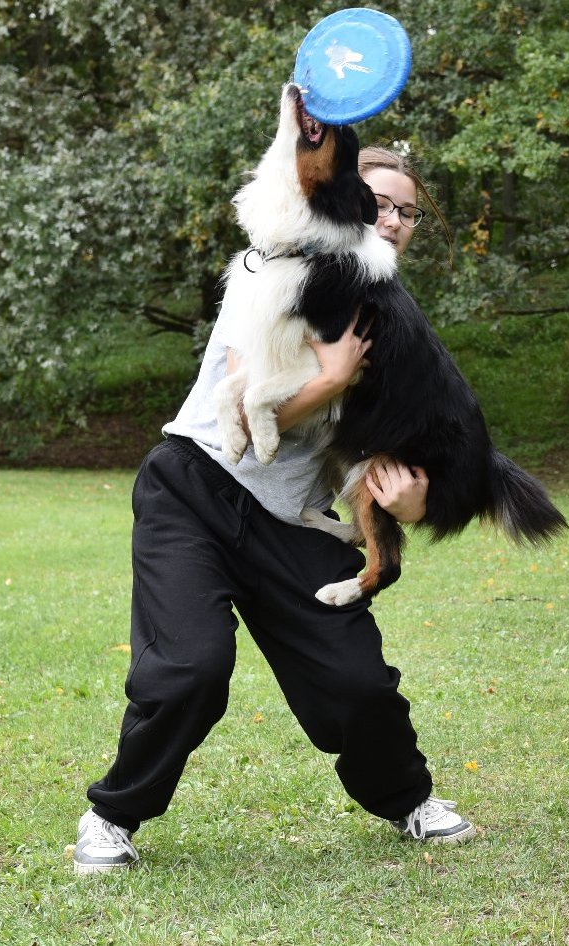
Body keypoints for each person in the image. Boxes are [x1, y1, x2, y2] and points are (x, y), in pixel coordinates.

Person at [74, 147, 472, 875]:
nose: (390, 219)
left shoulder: (390, 319)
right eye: (376, 201)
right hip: (194, 491)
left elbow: (397, 461)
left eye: (405, 210)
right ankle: (111, 815)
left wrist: (413, 501)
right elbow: (244, 405)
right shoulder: (275, 265)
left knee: (357, 685)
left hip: (295, 522)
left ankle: (409, 800)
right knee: (190, 668)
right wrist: (334, 377)